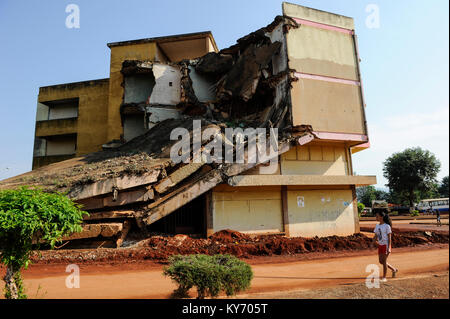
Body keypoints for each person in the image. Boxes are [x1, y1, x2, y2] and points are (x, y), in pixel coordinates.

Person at [373, 211, 398, 282]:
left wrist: (389, 247)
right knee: (381, 261)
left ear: (381, 217)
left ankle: (384, 277)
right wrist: (373, 242)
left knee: (384, 261)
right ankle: (394, 269)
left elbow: (389, 237)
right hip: (380, 245)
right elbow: (376, 235)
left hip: (385, 245)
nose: (376, 217)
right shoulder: (377, 226)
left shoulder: (387, 226)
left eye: (377, 216)